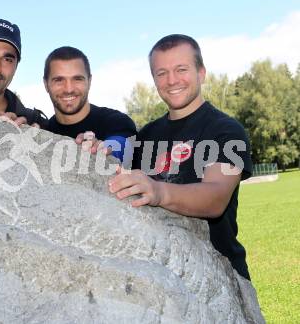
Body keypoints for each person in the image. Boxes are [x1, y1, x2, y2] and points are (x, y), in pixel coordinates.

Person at [108, 34, 253, 280]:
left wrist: (158, 191)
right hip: (165, 274)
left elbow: (215, 198)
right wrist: (95, 151)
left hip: (222, 277)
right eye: (161, 73)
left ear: (201, 73)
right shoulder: (145, 136)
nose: (171, 80)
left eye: (181, 69)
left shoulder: (227, 130)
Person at [43, 46, 136, 161]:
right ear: (46, 84)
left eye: (77, 79)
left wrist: (104, 148)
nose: (68, 89)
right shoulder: (41, 131)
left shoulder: (117, 121)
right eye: (59, 80)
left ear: (89, 81)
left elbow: (121, 144)